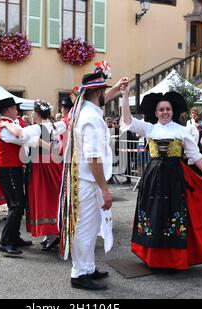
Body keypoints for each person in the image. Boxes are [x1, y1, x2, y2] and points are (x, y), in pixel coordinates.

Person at [120, 87, 202, 270]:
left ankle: (173, 259)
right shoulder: (149, 128)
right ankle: (152, 256)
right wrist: (126, 96)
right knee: (154, 212)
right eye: (161, 109)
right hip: (153, 178)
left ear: (173, 111)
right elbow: (127, 120)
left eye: (167, 109)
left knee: (173, 214)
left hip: (174, 178)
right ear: (156, 112)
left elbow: (195, 155)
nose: (165, 112)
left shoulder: (182, 131)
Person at [59, 67, 128, 290]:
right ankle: (79, 273)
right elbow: (93, 157)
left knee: (91, 225)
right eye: (104, 90)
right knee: (85, 228)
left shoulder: (83, 110)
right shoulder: (91, 118)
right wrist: (105, 189)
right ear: (97, 92)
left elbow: (97, 100)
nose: (105, 95)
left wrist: (116, 88)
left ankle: (87, 267)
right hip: (88, 181)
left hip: (84, 179)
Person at [1, 100, 66, 251]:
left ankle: (52, 235)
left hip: (40, 166)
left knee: (43, 198)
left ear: (36, 114)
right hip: (54, 164)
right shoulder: (55, 125)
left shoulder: (35, 128)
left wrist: (6, 124)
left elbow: (18, 134)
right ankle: (52, 233)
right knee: (54, 197)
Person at [0, 97, 34, 255]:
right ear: (9, 109)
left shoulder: (9, 124)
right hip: (7, 169)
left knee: (17, 204)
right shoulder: (3, 127)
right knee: (16, 205)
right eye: (15, 108)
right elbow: (22, 138)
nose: (18, 110)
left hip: (13, 168)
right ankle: (6, 242)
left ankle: (14, 237)